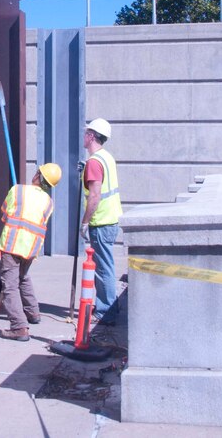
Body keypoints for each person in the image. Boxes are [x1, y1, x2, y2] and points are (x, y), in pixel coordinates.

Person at [0, 163, 61, 341]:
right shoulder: (49, 202)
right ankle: (33, 313)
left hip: (12, 244)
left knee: (10, 285)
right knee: (22, 277)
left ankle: (19, 327)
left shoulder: (17, 190)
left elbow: (4, 213)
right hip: (31, 248)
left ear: (38, 176)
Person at [80, 117, 122, 325]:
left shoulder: (94, 163)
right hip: (111, 218)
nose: (84, 136)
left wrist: (85, 221)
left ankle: (106, 310)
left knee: (103, 267)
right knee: (106, 265)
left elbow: (95, 196)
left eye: (86, 132)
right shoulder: (106, 157)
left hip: (101, 220)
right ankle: (108, 305)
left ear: (91, 136)